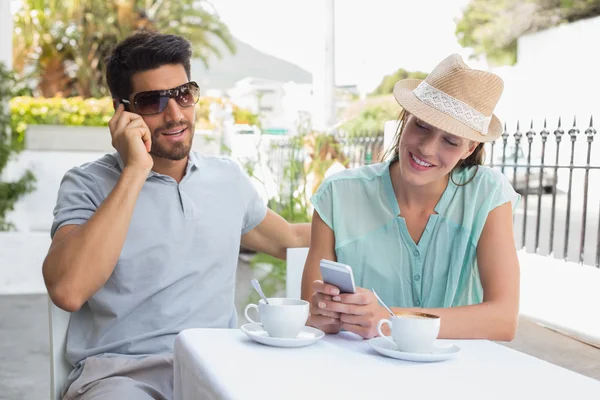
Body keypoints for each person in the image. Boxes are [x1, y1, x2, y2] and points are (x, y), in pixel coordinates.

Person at [42, 31, 310, 400]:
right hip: (122, 378)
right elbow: (68, 290)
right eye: (152, 101)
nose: (175, 114)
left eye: (184, 94)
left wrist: (391, 211)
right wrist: (136, 169)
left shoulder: (226, 178)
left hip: (218, 370)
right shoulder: (88, 184)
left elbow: (293, 241)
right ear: (122, 112)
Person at [301, 54, 521, 342]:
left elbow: (503, 320)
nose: (428, 148)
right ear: (405, 119)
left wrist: (391, 320)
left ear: (470, 148)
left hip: (455, 376)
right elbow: (311, 315)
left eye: (451, 141)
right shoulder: (338, 195)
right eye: (422, 126)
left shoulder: (488, 194)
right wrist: (322, 314)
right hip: (359, 374)